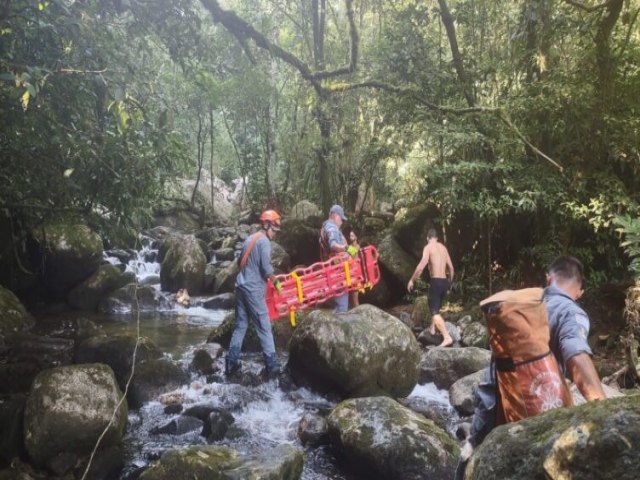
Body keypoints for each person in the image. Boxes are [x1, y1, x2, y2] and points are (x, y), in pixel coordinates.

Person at [461, 256, 606, 471]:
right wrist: (602, 407)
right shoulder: (571, 311)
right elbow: (575, 351)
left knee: (471, 462)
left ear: (548, 279)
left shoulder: (524, 304)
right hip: (532, 408)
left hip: (491, 400)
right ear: (580, 292)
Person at [225, 210, 284, 379]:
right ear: (266, 225)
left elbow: (239, 261)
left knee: (241, 325)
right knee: (264, 326)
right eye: (274, 230)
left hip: (241, 287)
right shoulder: (264, 241)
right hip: (253, 290)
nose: (275, 234)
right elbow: (266, 268)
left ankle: (231, 362)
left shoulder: (250, 238)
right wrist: (276, 281)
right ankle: (272, 367)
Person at [407, 228, 454, 347]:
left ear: (428, 238)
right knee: (436, 305)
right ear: (437, 238)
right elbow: (451, 268)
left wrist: (412, 280)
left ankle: (447, 337)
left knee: (434, 312)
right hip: (445, 282)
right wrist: (450, 283)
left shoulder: (428, 247)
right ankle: (432, 329)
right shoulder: (443, 248)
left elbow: (421, 266)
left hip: (436, 282)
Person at [320, 204, 357, 313]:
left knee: (342, 305)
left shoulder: (327, 226)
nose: (342, 222)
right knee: (342, 307)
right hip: (338, 272)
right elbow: (333, 245)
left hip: (337, 270)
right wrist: (347, 248)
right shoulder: (331, 227)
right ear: (335, 216)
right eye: (341, 219)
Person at [348, 229, 360, 309]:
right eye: (350, 236)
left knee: (355, 295)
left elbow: (354, 254)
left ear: (356, 237)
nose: (350, 237)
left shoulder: (357, 246)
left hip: (356, 272)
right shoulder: (350, 246)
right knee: (350, 295)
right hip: (350, 272)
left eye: (352, 236)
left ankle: (358, 310)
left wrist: (346, 248)